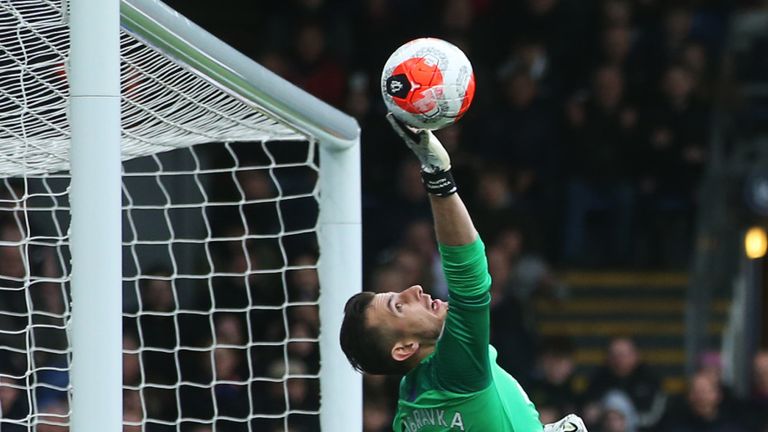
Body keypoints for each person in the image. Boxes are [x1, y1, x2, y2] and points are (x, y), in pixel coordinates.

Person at [340, 114, 586, 431]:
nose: (413, 290)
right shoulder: (452, 368)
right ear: (404, 349)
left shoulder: (409, 405)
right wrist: (438, 177)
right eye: (399, 306)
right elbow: (469, 279)